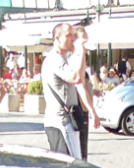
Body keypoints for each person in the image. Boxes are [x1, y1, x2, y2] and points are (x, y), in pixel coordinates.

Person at [42, 23, 86, 157]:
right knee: (71, 166)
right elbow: (76, 77)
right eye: (68, 35)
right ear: (57, 38)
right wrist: (81, 51)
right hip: (61, 122)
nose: (73, 39)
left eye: (73, 35)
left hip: (63, 121)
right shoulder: (55, 59)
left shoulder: (60, 59)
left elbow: (79, 78)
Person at [73, 25, 101, 160]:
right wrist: (92, 111)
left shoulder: (81, 58)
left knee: (82, 149)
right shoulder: (75, 59)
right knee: (80, 151)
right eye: (83, 42)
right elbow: (79, 85)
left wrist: (92, 90)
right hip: (79, 108)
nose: (86, 47)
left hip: (82, 108)